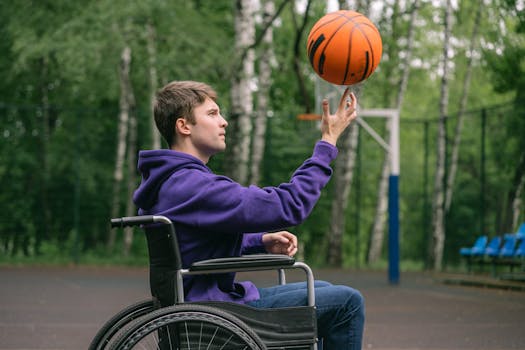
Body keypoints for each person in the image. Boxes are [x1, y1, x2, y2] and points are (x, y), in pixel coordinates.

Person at [133, 80, 365, 349]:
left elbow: (195, 244)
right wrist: (327, 143)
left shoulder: (173, 182)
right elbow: (289, 204)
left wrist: (260, 241)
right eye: (212, 114)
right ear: (184, 126)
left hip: (201, 303)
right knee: (348, 303)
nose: (223, 122)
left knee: (323, 289)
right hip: (214, 312)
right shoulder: (194, 186)